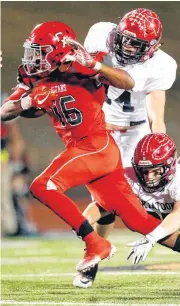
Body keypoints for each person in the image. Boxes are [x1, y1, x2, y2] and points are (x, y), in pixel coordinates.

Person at [1, 21, 165, 273]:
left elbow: (127, 82)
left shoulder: (82, 65)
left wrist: (96, 66)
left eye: (40, 51)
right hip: (84, 149)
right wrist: (27, 102)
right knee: (139, 220)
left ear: (57, 50)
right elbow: (5, 111)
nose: (33, 58)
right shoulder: (34, 75)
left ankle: (95, 243)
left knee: (43, 185)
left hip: (95, 146)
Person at [73, 133, 180, 288]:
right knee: (111, 204)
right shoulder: (129, 176)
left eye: (155, 171)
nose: (149, 177)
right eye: (144, 170)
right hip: (151, 217)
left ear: (170, 165)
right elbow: (102, 206)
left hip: (172, 217)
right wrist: (80, 223)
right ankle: (94, 255)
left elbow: (177, 215)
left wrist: (152, 238)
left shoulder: (177, 179)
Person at [82, 8, 177, 167]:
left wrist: (160, 145)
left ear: (153, 47)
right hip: (100, 125)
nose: (126, 46)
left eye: (135, 44)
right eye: (123, 39)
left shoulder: (161, 65)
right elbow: (84, 74)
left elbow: (156, 117)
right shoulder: (101, 34)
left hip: (135, 130)